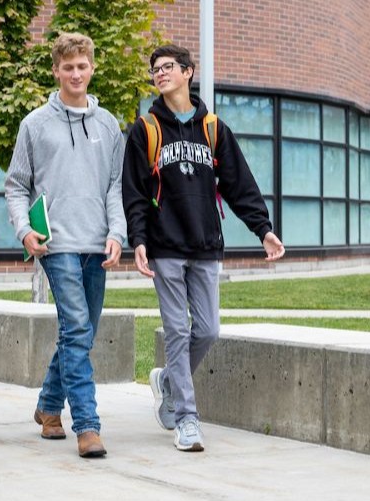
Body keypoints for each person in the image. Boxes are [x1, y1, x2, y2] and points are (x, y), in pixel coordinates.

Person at [122, 44, 285, 452]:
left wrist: (262, 229)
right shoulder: (146, 130)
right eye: (155, 69)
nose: (160, 73)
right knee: (177, 330)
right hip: (165, 246)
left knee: (208, 330)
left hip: (207, 245)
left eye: (168, 67)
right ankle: (187, 419)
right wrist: (138, 240)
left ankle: (166, 382)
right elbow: (135, 193)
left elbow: (238, 184)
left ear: (188, 72)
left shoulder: (213, 128)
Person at [4, 32, 126, 458]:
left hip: (97, 243)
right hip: (56, 245)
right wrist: (23, 230)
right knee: (76, 328)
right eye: (68, 67)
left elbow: (115, 187)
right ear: (56, 70)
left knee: (81, 333)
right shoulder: (35, 124)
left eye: (82, 65)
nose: (76, 73)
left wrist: (117, 233)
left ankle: (48, 407)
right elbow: (16, 186)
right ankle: (88, 427)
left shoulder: (109, 124)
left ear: (92, 68)